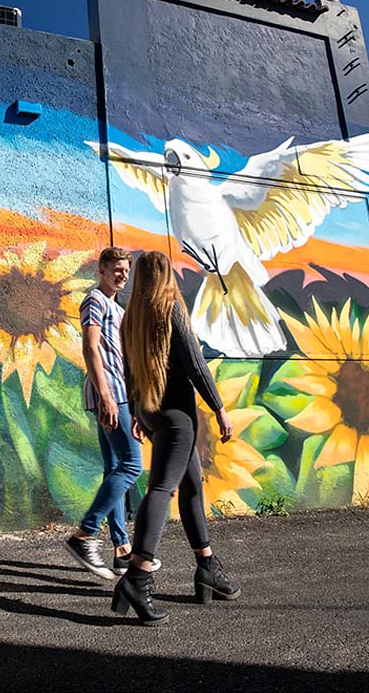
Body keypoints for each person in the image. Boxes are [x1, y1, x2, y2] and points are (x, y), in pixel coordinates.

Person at [112, 250, 241, 625]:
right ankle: (138, 575)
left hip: (152, 414)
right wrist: (218, 407)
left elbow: (127, 368)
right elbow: (195, 363)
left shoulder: (130, 317)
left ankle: (207, 568)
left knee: (192, 486)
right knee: (162, 490)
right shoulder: (171, 309)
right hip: (176, 418)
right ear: (167, 276)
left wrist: (137, 411)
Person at [64, 246, 161, 579]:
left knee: (115, 469)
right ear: (101, 271)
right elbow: (89, 347)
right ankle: (85, 534)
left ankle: (122, 551)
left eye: (125, 270)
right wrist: (106, 395)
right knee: (132, 466)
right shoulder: (95, 301)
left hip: (120, 396)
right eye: (116, 269)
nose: (122, 274)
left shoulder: (117, 309)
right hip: (110, 395)